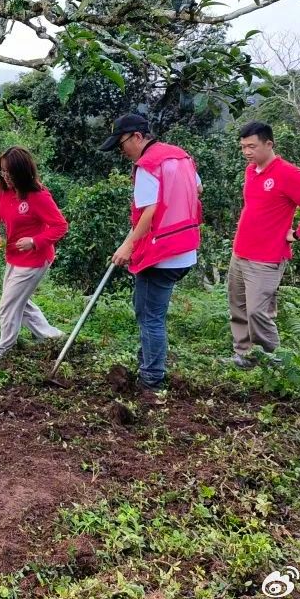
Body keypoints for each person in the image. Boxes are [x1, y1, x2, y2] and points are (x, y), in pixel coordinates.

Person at [100, 114, 202, 402]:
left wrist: (127, 246)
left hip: (160, 254)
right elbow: (198, 188)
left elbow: (150, 210)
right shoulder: (180, 156)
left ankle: (152, 381)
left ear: (137, 136)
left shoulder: (148, 165)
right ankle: (147, 363)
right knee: (149, 312)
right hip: (185, 249)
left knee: (150, 318)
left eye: (121, 144)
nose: (121, 151)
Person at [223, 121, 300, 369]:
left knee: (257, 312)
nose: (246, 152)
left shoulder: (288, 173)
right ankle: (243, 356)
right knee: (238, 308)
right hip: (241, 252)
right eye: (243, 147)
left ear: (269, 144)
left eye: (252, 146)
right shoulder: (251, 171)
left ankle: (274, 363)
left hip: (267, 257)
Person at [0, 146, 69, 360]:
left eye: (10, 172)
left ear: (22, 172)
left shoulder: (38, 196)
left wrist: (34, 241)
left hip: (35, 259)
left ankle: (2, 348)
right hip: (14, 256)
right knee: (18, 301)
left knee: (8, 305)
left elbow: (60, 226)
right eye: (2, 171)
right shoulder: (2, 190)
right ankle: (52, 337)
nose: (5, 176)